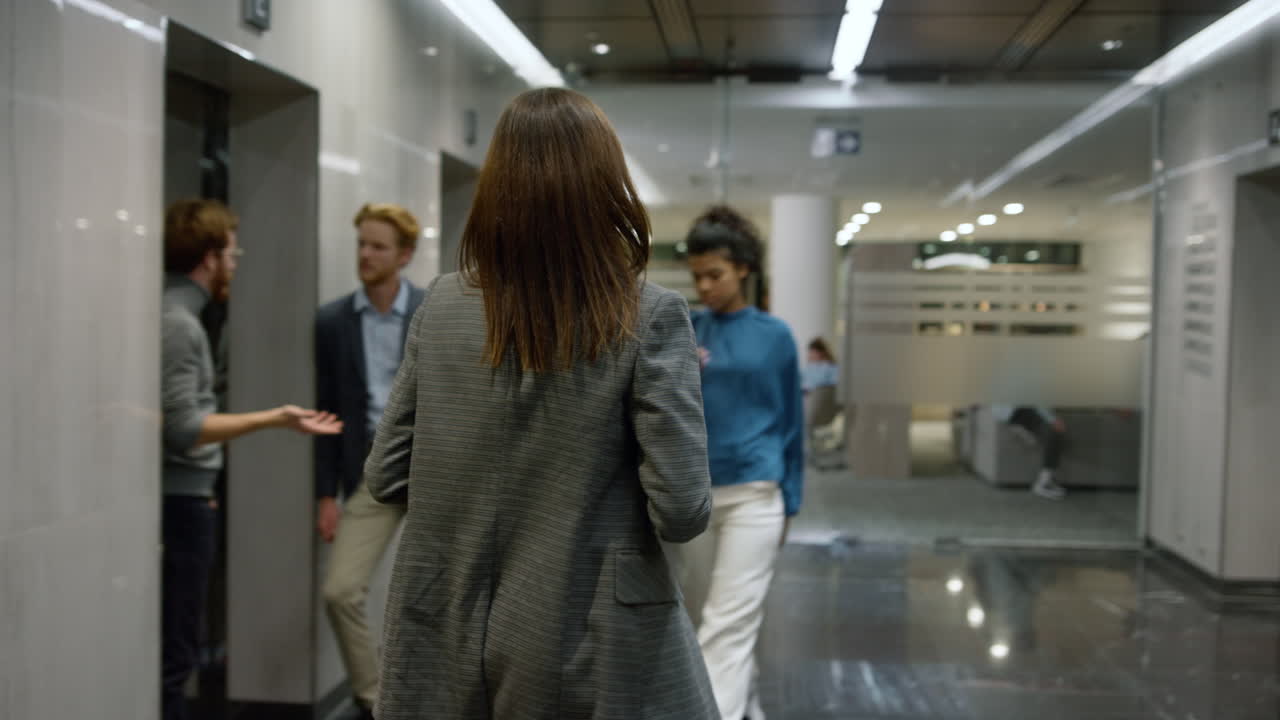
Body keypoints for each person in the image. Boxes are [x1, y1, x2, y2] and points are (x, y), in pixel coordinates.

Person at [362, 87, 717, 719]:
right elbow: (683, 509)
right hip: (586, 636)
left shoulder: (441, 304)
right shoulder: (648, 313)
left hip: (444, 625)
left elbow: (386, 473)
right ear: (606, 183)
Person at [161, 198, 343, 720]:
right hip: (184, 503)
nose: (236, 266)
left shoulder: (178, 317)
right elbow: (184, 430)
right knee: (177, 654)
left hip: (184, 500)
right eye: (233, 254)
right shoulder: (180, 324)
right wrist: (275, 418)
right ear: (210, 257)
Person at [677, 205, 805, 720]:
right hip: (695, 499)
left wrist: (791, 502)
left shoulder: (775, 336)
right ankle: (745, 704)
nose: (705, 286)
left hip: (756, 494)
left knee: (727, 623)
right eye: (698, 277)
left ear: (743, 270)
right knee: (708, 619)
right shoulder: (685, 327)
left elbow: (792, 422)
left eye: (715, 275)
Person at [314, 202, 427, 719]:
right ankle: (375, 700)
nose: (365, 254)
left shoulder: (433, 311)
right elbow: (326, 411)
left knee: (442, 597)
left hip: (434, 472)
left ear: (403, 255)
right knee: (340, 591)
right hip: (369, 475)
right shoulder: (333, 320)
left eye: (378, 246)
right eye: (361, 243)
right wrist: (325, 495)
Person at [992, 405, 1067, 500]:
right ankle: (1043, 483)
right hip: (1015, 410)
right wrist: (1053, 419)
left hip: (1006, 410)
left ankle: (1046, 480)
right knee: (1053, 432)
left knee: (1052, 431)